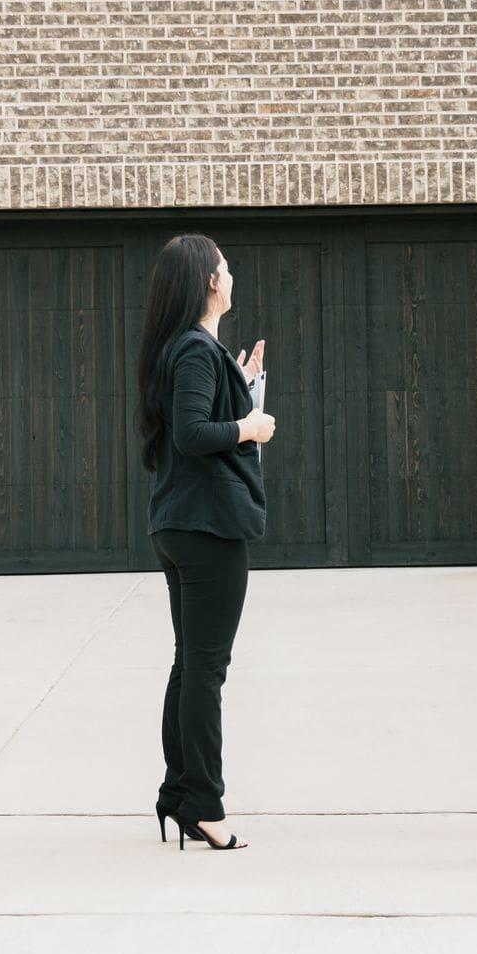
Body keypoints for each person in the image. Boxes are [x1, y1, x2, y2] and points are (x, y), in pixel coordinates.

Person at [134, 233, 277, 852]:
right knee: (205, 672)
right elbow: (194, 434)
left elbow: (193, 418)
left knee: (190, 665)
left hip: (182, 525)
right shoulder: (194, 350)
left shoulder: (190, 350)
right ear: (209, 283)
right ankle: (205, 806)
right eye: (227, 269)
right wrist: (248, 423)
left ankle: (180, 794)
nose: (232, 277)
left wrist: (238, 382)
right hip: (208, 527)